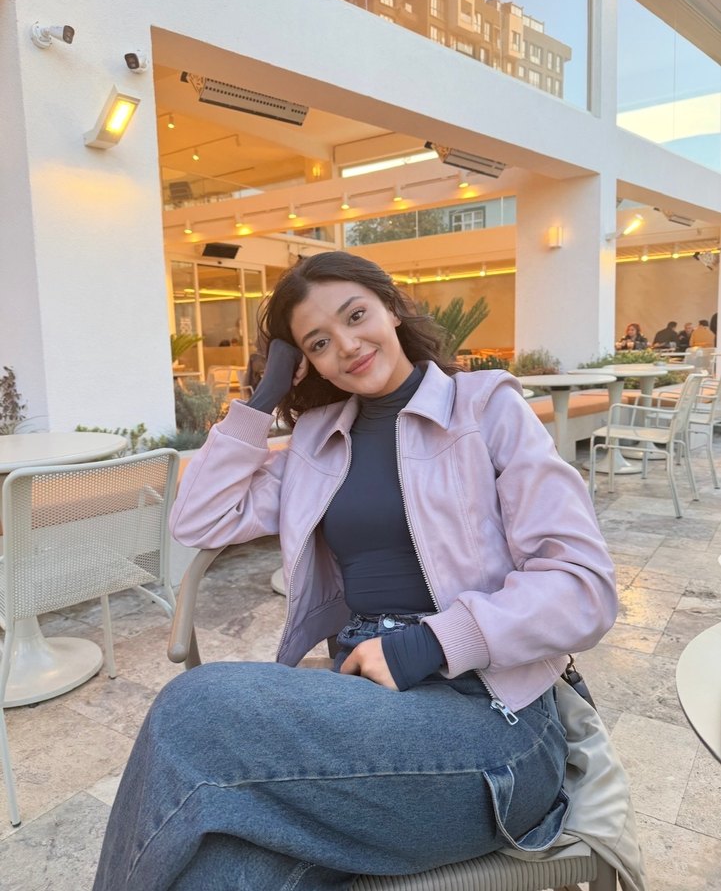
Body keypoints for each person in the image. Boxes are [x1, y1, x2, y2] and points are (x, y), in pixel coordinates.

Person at [93, 251, 617, 891]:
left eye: (355, 315)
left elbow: (583, 585)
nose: (346, 345)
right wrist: (261, 400)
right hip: (366, 708)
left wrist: (430, 642)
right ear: (306, 362)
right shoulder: (317, 439)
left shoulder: (484, 408)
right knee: (219, 871)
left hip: (492, 722)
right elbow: (199, 520)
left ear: (391, 307)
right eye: (318, 342)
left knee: (193, 710)